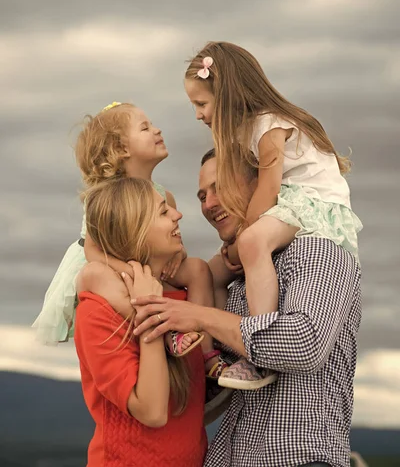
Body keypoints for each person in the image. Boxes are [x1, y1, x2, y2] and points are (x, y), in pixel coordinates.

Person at [128, 149, 362, 467]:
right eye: (201, 195)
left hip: (300, 457)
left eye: (219, 187)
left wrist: (201, 317)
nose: (209, 203)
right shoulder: (236, 276)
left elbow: (305, 343)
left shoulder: (316, 249)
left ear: (258, 183)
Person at [184, 41, 362, 388]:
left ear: (227, 96)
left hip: (314, 201)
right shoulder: (246, 131)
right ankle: (219, 359)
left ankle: (258, 352)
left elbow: (267, 189)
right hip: (291, 201)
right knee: (212, 272)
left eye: (201, 103)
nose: (198, 114)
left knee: (251, 243)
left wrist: (242, 238)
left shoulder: (269, 126)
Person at [32, 102, 214, 368]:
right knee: (96, 276)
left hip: (150, 265)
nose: (157, 130)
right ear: (121, 149)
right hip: (110, 265)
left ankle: (206, 357)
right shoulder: (105, 196)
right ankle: (163, 332)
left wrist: (180, 254)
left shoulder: (164, 196)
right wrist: (134, 274)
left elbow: (173, 236)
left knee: (198, 269)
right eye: (145, 127)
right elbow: (92, 251)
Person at [74, 177, 207, 467]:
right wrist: (149, 318)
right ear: (133, 231)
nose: (178, 214)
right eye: (163, 212)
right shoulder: (97, 312)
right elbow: (152, 412)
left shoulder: (182, 299)